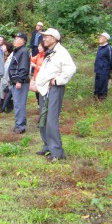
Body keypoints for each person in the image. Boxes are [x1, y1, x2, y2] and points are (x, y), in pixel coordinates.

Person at [34, 28, 76, 161]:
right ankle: (48, 146)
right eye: (44, 36)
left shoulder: (61, 52)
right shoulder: (50, 52)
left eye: (47, 36)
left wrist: (58, 80)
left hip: (54, 89)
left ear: (54, 38)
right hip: (45, 89)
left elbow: (71, 68)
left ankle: (57, 153)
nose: (44, 39)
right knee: (43, 119)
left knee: (51, 120)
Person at [8, 33, 30, 134]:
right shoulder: (17, 51)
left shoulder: (24, 51)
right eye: (15, 38)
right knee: (17, 104)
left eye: (17, 38)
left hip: (20, 82)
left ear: (23, 41)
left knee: (20, 104)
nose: (15, 40)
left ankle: (20, 126)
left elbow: (24, 67)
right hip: (14, 82)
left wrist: (19, 81)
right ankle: (18, 124)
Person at [94, 33, 112, 100]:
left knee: (103, 85)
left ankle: (102, 98)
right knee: (97, 84)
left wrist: (109, 69)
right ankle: (96, 97)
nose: (99, 38)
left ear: (106, 39)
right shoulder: (100, 47)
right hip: (98, 70)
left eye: (101, 37)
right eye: (99, 37)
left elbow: (111, 60)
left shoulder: (108, 48)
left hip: (104, 70)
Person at [30, 40, 46, 106]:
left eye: (40, 46)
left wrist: (35, 66)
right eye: (38, 46)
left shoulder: (46, 56)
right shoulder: (39, 55)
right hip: (36, 77)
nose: (38, 48)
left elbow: (44, 69)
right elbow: (32, 59)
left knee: (41, 94)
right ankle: (39, 107)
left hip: (42, 78)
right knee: (37, 93)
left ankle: (42, 108)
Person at [0, 41, 14, 113]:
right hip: (3, 76)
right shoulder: (2, 55)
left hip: (8, 77)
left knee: (8, 92)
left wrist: (9, 79)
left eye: (3, 46)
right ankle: (2, 106)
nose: (2, 47)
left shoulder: (12, 56)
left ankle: (9, 106)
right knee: (2, 91)